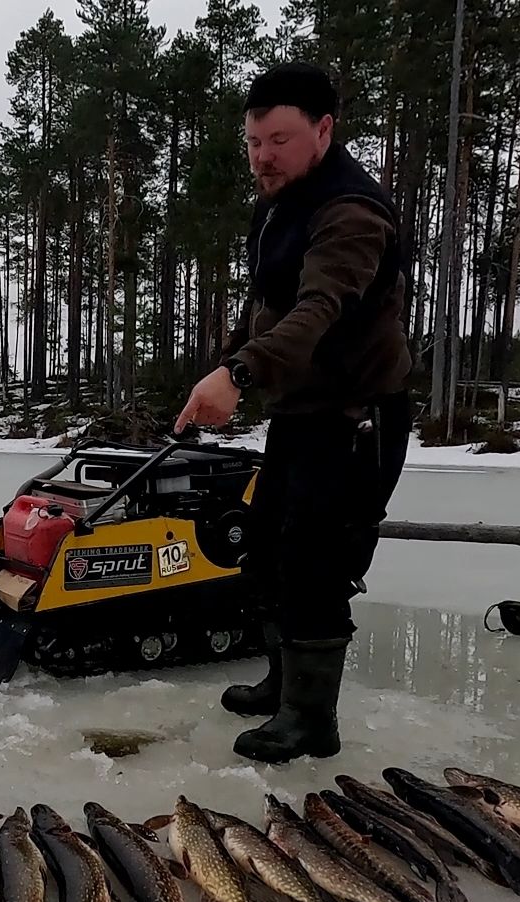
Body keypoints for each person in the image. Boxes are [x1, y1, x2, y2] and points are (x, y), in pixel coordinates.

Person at [173, 62, 413, 765]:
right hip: (305, 410)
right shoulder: (281, 200)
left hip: (356, 416)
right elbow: (271, 305)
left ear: (324, 130)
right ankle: (283, 684)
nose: (262, 157)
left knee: (317, 560)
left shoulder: (351, 214)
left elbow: (318, 309)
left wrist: (242, 373)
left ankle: (313, 721)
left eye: (278, 140)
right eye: (252, 141)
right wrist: (225, 359)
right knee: (271, 546)